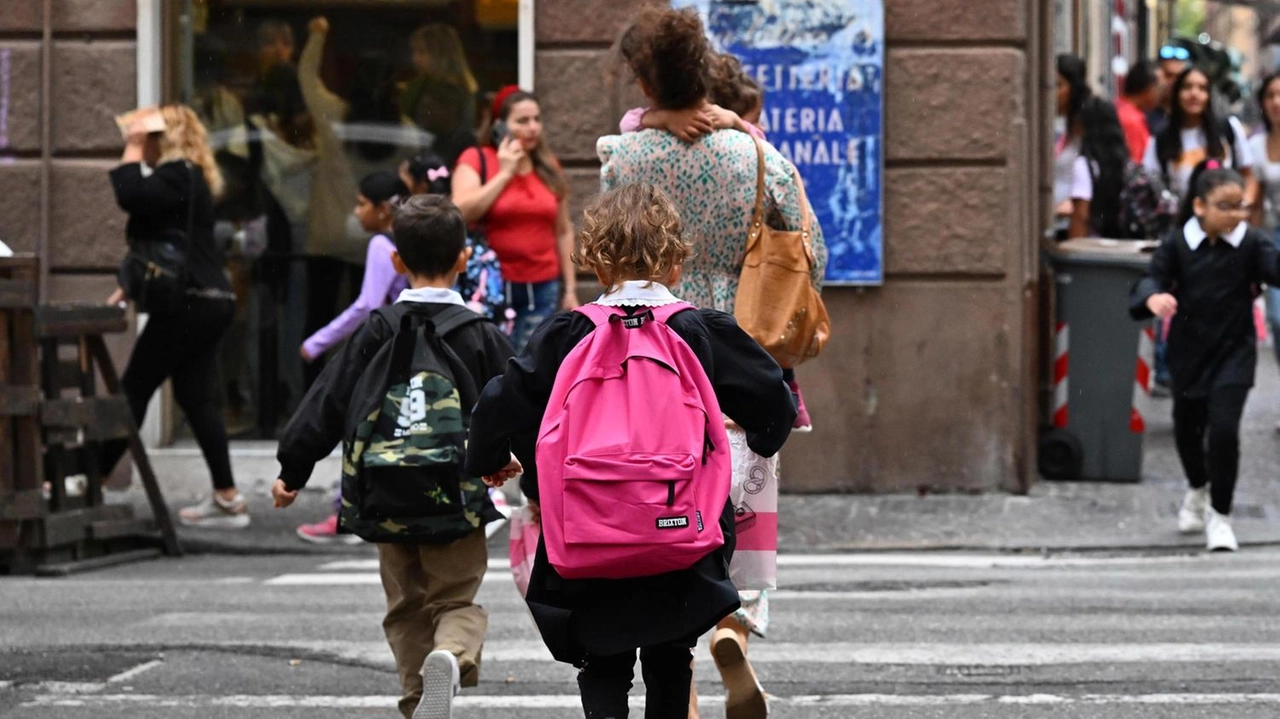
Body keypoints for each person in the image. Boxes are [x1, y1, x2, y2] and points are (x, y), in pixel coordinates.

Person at [464, 183, 796, 719]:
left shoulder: (567, 332)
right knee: (671, 653)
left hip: (589, 529)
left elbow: (497, 404)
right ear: (674, 261)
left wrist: (489, 460)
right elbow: (773, 401)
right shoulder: (698, 329)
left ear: (597, 262)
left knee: (601, 661)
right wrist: (756, 446)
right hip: (680, 525)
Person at [601, 8, 823, 717]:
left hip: (653, 362)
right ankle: (734, 623)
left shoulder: (626, 157)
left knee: (667, 521)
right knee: (745, 516)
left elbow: (607, 247)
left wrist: (647, 124)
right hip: (741, 358)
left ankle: (683, 684)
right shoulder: (758, 157)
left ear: (643, 78)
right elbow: (810, 252)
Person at [271, 194, 513, 719]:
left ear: (397, 262)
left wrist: (293, 469)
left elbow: (328, 401)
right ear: (464, 258)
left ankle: (415, 703)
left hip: (384, 494)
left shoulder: (376, 330)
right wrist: (531, 479)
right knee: (456, 600)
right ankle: (450, 655)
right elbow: (520, 408)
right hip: (456, 495)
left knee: (405, 607)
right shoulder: (480, 334)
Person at [105, 105, 244, 527]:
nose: (138, 145)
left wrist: (131, 145)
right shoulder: (187, 177)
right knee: (194, 396)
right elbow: (158, 239)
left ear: (161, 139)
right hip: (208, 299)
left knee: (134, 388)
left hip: (189, 302)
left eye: (145, 138)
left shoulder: (177, 173)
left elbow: (129, 194)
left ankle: (87, 478)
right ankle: (227, 497)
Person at [1129, 161, 1280, 552]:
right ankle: (1197, 486)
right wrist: (1153, 296)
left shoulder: (1252, 243)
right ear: (1199, 206)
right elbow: (1152, 276)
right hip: (1189, 352)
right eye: (1225, 206)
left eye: (1240, 206)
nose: (1236, 215)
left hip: (1235, 351)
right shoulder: (1179, 243)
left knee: (1225, 431)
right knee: (1187, 430)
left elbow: (1275, 269)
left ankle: (1220, 516)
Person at [452, 89, 579, 352]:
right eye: (522, 121)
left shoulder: (548, 166)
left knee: (532, 363)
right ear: (500, 125)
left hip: (543, 285)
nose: (533, 128)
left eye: (537, 119)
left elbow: (564, 230)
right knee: (494, 362)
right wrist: (505, 173)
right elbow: (460, 212)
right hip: (493, 284)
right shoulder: (478, 158)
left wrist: (570, 288)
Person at [1143, 66, 1256, 205]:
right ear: (1177, 93)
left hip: (1226, 220)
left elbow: (1248, 175)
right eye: (1187, 87)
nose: (1194, 94)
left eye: (1202, 88)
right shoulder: (1160, 138)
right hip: (1179, 221)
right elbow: (1150, 183)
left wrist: (1241, 205)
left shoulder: (1228, 128)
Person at [1054, 56, 1129, 240]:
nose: (1051, 93)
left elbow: (1082, 212)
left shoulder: (1085, 160)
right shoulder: (1053, 126)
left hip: (1071, 227)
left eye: (1058, 85)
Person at [402, 24, 479, 171]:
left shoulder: (432, 88)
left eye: (421, 52)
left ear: (440, 55)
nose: (415, 59)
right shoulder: (466, 87)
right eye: (414, 52)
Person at [1251, 71, 1280, 430]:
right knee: (1278, 319)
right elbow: (1253, 201)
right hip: (1274, 237)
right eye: (1271, 95)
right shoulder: (1255, 146)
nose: (1277, 102)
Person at [1117, 60, 1160, 164]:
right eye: (1159, 88)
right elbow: (1137, 163)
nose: (1160, 94)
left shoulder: (1118, 107)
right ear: (1148, 89)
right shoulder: (1132, 120)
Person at [1147, 44, 1191, 136]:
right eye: (1168, 76)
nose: (1173, 82)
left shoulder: (1192, 117)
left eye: (1179, 77)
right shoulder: (1144, 111)